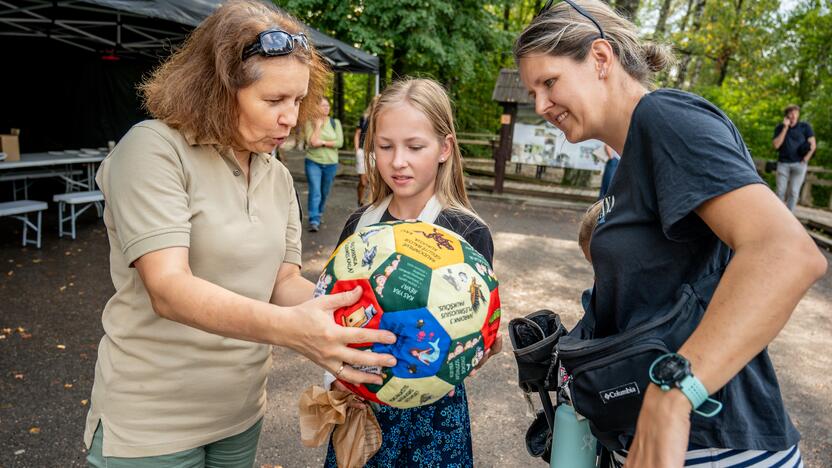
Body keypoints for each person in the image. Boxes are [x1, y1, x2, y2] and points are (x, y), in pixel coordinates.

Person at [515, 1, 826, 467]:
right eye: (533, 91)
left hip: (715, 445)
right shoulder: (629, 161)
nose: (540, 105)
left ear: (600, 58)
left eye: (549, 82)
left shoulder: (663, 117)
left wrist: (675, 388)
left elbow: (786, 253)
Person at [84, 1, 396, 465]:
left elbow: (283, 283)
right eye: (274, 101)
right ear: (216, 89)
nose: (291, 118)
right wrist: (295, 332)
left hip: (240, 415)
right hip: (150, 424)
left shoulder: (277, 176)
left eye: (297, 100)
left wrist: (362, 318)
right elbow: (168, 288)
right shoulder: (153, 149)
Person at [323, 78, 503, 468]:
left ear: (444, 148)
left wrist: (478, 349)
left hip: (433, 420)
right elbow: (328, 309)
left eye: (414, 147)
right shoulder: (360, 225)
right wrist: (336, 375)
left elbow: (474, 336)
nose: (397, 161)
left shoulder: (467, 233)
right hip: (360, 406)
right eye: (384, 147)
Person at [304, 96, 343, 232]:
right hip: (313, 162)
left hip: (331, 163)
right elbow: (312, 142)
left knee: (324, 192)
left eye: (328, 106)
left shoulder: (335, 122)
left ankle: (319, 213)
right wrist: (318, 126)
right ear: (316, 108)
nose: (326, 108)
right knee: (315, 191)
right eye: (323, 105)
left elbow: (339, 142)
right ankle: (314, 220)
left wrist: (323, 143)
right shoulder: (310, 122)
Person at [773, 104, 816, 211]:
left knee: (794, 191)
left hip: (799, 164)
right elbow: (776, 145)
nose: (793, 115)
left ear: (798, 114)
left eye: (795, 112)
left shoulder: (805, 127)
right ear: (786, 115)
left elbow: (813, 145)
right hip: (783, 163)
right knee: (780, 191)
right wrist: (785, 128)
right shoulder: (780, 127)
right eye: (791, 112)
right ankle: (779, 214)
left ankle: (790, 214)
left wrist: (806, 159)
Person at [354, 96, 379, 206]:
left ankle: (369, 205)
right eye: (376, 103)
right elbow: (357, 133)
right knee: (363, 182)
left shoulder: (382, 118)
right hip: (363, 151)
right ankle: (360, 201)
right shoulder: (364, 117)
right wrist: (357, 149)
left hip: (376, 152)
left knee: (374, 181)